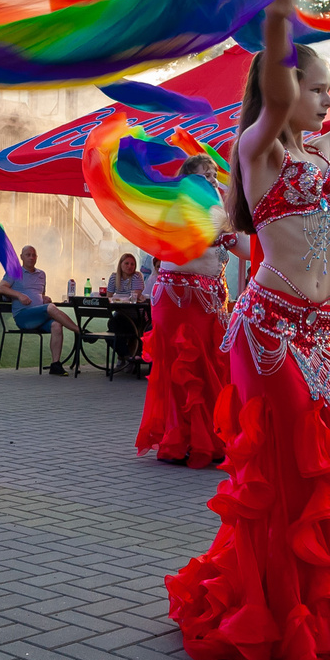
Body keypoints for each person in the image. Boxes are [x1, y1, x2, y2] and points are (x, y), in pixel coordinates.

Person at [168, 0, 330, 660]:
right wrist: (277, 27)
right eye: (313, 86)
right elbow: (275, 94)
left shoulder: (326, 148)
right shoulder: (257, 147)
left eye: (322, 88)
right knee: (287, 470)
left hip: (316, 336)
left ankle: (324, 608)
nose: (322, 97)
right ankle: (274, 612)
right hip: (268, 332)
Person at [139, 157, 237, 466]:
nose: (210, 178)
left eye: (212, 174)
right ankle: (180, 439)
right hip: (178, 299)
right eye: (203, 174)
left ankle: (209, 437)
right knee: (181, 368)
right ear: (186, 180)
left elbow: (244, 248)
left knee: (212, 368)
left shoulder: (219, 213)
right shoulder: (175, 209)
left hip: (211, 302)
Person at [0, 244, 84, 372]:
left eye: (34, 255)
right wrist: (19, 295)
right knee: (50, 308)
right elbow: (0, 288)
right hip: (23, 317)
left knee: (56, 325)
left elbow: (39, 294)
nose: (31, 257)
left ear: (37, 257)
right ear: (21, 257)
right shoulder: (14, 271)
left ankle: (55, 365)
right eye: (28, 255)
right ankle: (80, 331)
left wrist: (44, 298)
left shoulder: (41, 274)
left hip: (39, 317)